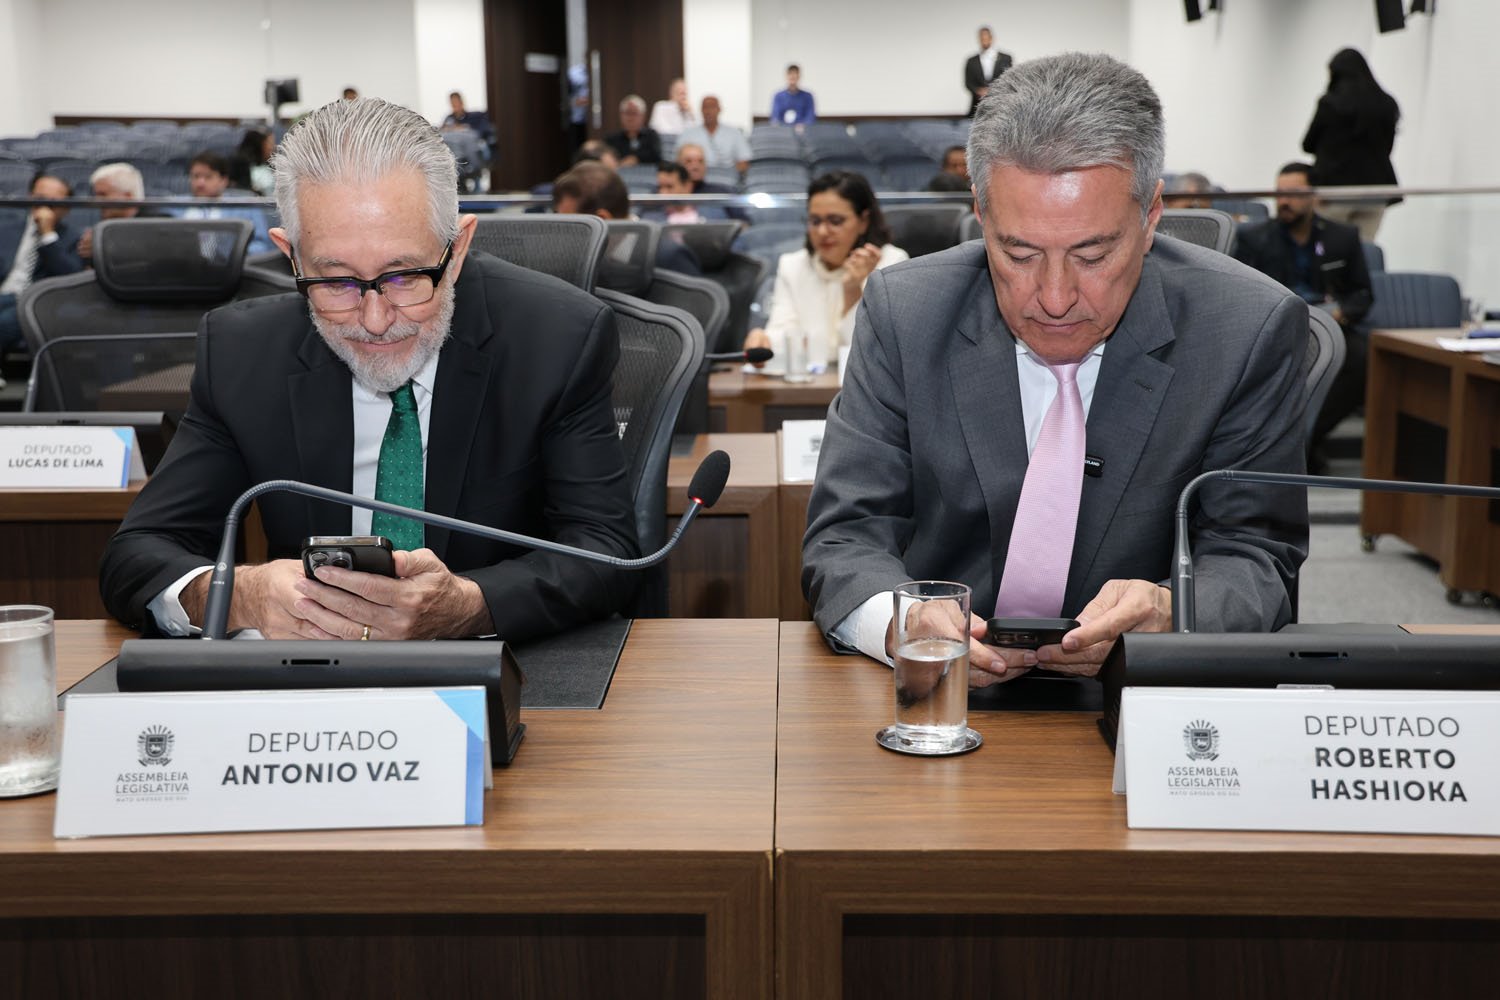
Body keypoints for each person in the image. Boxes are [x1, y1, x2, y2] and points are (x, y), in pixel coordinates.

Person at [802, 52, 1309, 684]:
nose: (1055, 297)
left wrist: (1174, 614)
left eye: (1092, 255)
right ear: (981, 213)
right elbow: (846, 536)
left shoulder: (1246, 329)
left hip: (1140, 695)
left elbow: (1256, 554)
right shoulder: (905, 312)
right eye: (1018, 254)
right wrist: (902, 625)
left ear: (1151, 214)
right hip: (936, 694)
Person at [99, 97, 640, 643]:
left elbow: (606, 551)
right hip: (308, 680)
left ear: (457, 250)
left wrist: (471, 606)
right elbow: (137, 555)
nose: (376, 321)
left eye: (404, 277)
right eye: (336, 282)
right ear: (291, 256)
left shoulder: (557, 338)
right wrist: (243, 595)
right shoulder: (243, 353)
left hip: (507, 669)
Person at [1234, 161, 1372, 466]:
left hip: (1328, 324)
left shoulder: (1342, 237)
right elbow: (1239, 292)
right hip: (1274, 324)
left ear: (1313, 196)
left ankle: (1308, 436)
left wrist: (1341, 313)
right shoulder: (1254, 238)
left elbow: (1362, 294)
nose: (1283, 201)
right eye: (1279, 193)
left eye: (1293, 194)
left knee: (1362, 358)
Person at [742, 171, 907, 370]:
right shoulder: (792, 265)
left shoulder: (891, 264)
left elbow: (877, 353)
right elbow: (782, 338)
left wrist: (852, 291)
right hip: (808, 385)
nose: (822, 232)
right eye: (815, 221)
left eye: (835, 221)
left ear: (863, 222)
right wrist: (762, 339)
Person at [1301, 48, 1400, 242]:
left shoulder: (1330, 103)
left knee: (1327, 246)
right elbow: (1387, 147)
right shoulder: (1386, 104)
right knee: (1364, 249)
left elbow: (1308, 144)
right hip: (1376, 190)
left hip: (1334, 190)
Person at [552, 161, 701, 277]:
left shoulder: (668, 256)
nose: (561, 236)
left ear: (601, 220)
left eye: (569, 226)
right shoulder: (571, 261)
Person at [0, 173, 83, 351]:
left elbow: (70, 278)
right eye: (39, 199)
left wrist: (47, 234)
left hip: (35, 301)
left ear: (66, 208)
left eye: (52, 202)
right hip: (4, 293)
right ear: (30, 197)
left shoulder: (74, 238)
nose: (44, 207)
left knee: (4, 322)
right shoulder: (5, 228)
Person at [76, 163, 168, 264]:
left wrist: (104, 248)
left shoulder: (160, 225)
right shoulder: (103, 226)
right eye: (96, 195)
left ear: (128, 196)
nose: (96, 201)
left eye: (103, 194)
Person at [676, 96, 751, 175]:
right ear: (701, 110)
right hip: (695, 177)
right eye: (705, 107)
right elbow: (678, 161)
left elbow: (744, 161)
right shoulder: (687, 134)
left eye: (712, 107)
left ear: (719, 109)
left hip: (727, 178)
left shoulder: (735, 133)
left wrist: (729, 175)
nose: (708, 111)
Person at [963, 26, 1012, 117]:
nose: (984, 40)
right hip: (977, 106)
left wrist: (993, 91)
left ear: (991, 38)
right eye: (982, 38)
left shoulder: (1005, 58)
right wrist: (978, 90)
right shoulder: (971, 61)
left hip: (1000, 106)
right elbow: (968, 83)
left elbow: (1009, 79)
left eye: (986, 38)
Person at [603, 95, 661, 167]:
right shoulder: (611, 138)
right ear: (621, 115)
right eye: (627, 113)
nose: (630, 118)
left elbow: (657, 157)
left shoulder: (651, 136)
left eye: (634, 113)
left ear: (643, 115)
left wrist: (636, 159)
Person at [442, 90, 496, 161]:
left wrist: (465, 128)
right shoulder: (449, 119)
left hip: (472, 154)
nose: (455, 105)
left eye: (456, 102)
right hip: (455, 155)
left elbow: (482, 131)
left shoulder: (475, 117)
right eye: (453, 103)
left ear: (461, 102)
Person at [231, 129, 277, 196]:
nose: (273, 147)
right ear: (259, 144)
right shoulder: (241, 163)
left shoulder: (274, 163)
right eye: (269, 143)